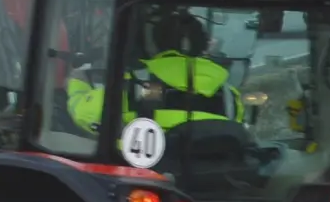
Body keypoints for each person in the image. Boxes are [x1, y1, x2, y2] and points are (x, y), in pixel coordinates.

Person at [65, 8, 243, 134]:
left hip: (143, 173)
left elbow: (87, 117)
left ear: (152, 44)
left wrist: (77, 84)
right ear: (202, 45)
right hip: (207, 180)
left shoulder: (137, 84)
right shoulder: (228, 94)